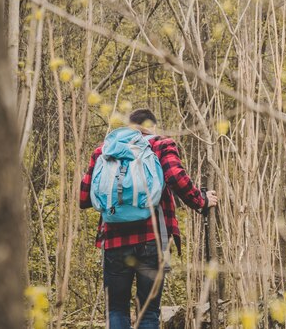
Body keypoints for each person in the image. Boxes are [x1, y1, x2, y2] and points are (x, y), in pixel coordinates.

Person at [80, 108, 218, 329]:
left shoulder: (104, 150)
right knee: (149, 311)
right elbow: (175, 177)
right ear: (152, 127)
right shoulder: (161, 144)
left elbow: (84, 198)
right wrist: (201, 201)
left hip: (114, 241)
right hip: (152, 240)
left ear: (129, 126)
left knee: (116, 308)